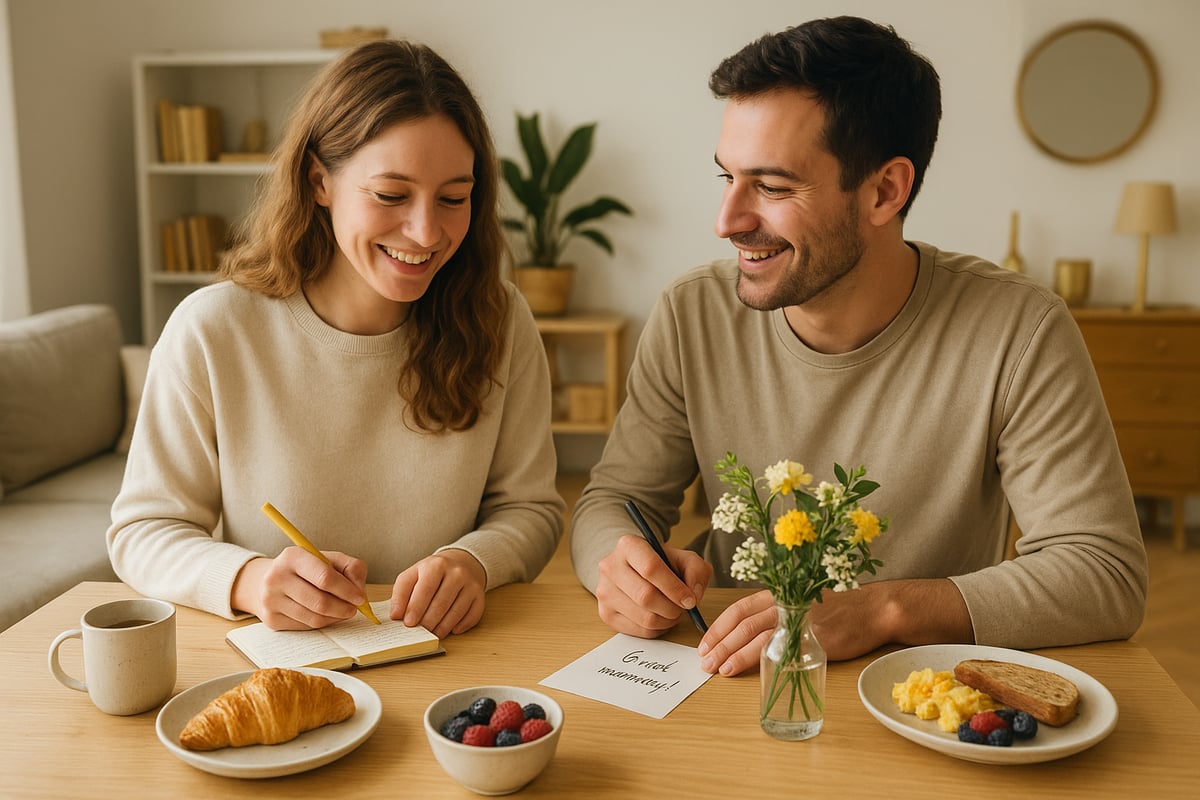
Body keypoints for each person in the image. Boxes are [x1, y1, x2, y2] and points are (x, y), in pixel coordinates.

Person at [570, 16, 1147, 677]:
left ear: (884, 191)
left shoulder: (1020, 330)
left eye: (772, 186)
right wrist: (621, 564)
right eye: (727, 177)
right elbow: (614, 501)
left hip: (923, 694)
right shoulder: (690, 313)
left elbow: (1104, 573)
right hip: (728, 671)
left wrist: (881, 610)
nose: (726, 221)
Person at [108, 40, 564, 639]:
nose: (426, 231)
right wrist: (250, 580)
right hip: (285, 658)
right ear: (319, 180)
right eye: (391, 195)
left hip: (453, 655)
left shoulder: (499, 320)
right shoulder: (213, 329)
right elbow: (143, 532)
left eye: (454, 198)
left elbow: (531, 508)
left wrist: (475, 561)